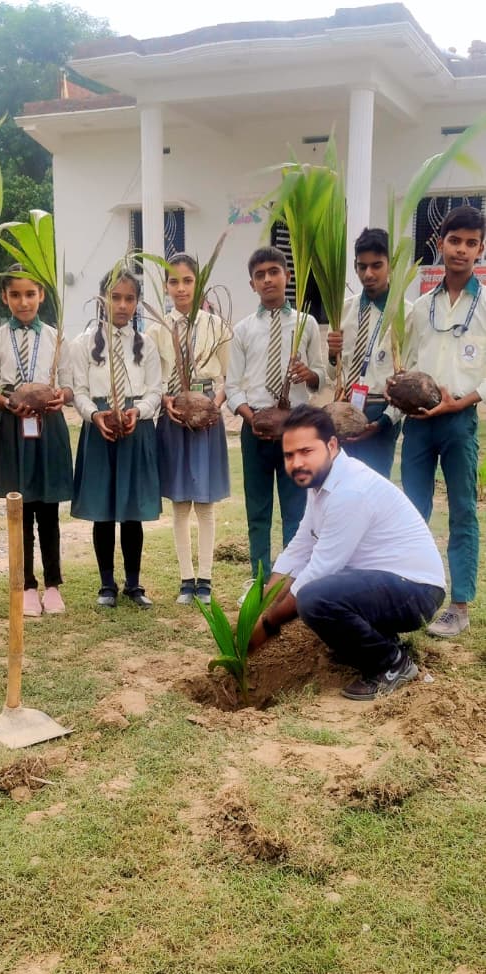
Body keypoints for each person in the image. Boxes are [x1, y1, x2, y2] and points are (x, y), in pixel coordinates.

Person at [250, 405, 446, 701]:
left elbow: (318, 570)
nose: (297, 463)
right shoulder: (320, 482)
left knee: (314, 597)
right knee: (319, 593)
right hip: (393, 585)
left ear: (331, 445)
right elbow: (300, 546)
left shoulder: (350, 490)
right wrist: (259, 605)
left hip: (417, 591)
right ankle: (379, 642)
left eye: (306, 451)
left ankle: (391, 663)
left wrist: (267, 623)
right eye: (289, 455)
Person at [399, 206, 486, 637]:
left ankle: (460, 605)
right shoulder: (420, 306)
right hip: (418, 422)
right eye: (455, 241)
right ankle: (413, 594)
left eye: (471, 243)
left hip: (459, 421)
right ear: (441, 244)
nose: (462, 250)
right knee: (414, 509)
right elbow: (410, 360)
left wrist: (461, 402)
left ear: (480, 250)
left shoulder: (485, 304)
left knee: (464, 511)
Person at [226, 246, 325, 594]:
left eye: (274, 272)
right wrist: (252, 417)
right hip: (254, 430)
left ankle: (291, 581)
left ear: (287, 276)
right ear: (252, 284)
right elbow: (233, 385)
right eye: (260, 275)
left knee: (296, 511)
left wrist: (308, 374)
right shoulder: (242, 330)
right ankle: (258, 580)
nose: (267, 279)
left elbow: (321, 378)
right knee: (258, 509)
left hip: (294, 432)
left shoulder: (305, 324)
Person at [0, 267, 74, 617]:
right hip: (13, 427)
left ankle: (52, 585)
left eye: (30, 294)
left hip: (47, 425)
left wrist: (59, 397)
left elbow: (68, 384)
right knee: (20, 510)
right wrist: (9, 403)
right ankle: (27, 586)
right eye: (16, 295)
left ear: (41, 296)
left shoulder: (55, 337)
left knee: (48, 510)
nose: (23, 301)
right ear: (5, 297)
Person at [71, 267, 162, 609]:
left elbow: (155, 390)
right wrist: (94, 415)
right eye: (115, 297)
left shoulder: (147, 345)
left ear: (137, 302)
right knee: (104, 509)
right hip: (100, 429)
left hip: (135, 428)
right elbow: (78, 392)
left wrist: (139, 411)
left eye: (129, 298)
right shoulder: (83, 344)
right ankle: (106, 584)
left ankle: (134, 584)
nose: (122, 305)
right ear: (102, 299)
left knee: (132, 509)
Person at [148, 254, 230, 605]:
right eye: (174, 282)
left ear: (199, 284)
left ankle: (206, 579)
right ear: (166, 286)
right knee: (180, 503)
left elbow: (229, 376)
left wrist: (215, 404)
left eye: (187, 281)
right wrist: (166, 400)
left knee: (205, 504)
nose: (181, 289)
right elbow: (153, 379)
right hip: (174, 418)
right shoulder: (156, 329)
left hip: (207, 416)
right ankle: (186, 580)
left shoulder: (218, 327)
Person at [326, 226, 406, 477]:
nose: (368, 273)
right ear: (355, 266)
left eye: (377, 265)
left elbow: (408, 378)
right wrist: (331, 354)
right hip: (344, 409)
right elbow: (332, 373)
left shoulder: (405, 314)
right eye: (362, 266)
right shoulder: (342, 311)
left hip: (379, 410)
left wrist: (384, 421)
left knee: (374, 488)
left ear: (390, 265)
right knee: (339, 486)